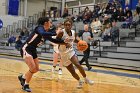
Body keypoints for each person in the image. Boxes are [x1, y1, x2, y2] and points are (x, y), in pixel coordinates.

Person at [18, 17, 69, 92]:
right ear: (45, 23)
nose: (51, 24)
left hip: (33, 49)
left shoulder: (45, 32)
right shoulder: (39, 28)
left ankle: (23, 77)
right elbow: (43, 33)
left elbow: (53, 40)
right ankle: (26, 85)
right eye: (50, 22)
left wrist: (64, 42)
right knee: (32, 68)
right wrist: (55, 32)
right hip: (26, 47)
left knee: (36, 69)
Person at [57, 18, 94, 88]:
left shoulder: (73, 32)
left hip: (71, 51)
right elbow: (56, 40)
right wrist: (65, 43)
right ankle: (80, 81)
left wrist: (82, 43)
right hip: (63, 54)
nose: (67, 26)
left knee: (77, 64)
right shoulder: (61, 32)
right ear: (64, 25)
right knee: (72, 72)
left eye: (69, 25)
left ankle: (86, 79)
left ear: (71, 26)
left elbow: (76, 40)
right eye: (66, 25)